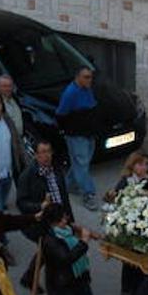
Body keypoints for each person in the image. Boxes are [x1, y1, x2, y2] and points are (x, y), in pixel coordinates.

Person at [16, 138, 75, 289]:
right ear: (35, 155)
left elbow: (64, 197)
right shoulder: (27, 176)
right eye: (42, 152)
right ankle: (55, 285)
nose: (47, 155)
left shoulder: (56, 170)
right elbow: (21, 203)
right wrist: (39, 206)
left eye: (49, 151)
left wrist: (70, 219)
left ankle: (29, 277)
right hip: (39, 223)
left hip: (59, 219)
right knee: (52, 251)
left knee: (46, 252)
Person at [110, 150, 148, 295]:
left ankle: (139, 288)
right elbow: (116, 201)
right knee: (129, 261)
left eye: (146, 164)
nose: (143, 168)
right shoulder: (126, 181)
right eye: (140, 164)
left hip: (144, 225)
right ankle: (126, 289)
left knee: (142, 259)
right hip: (129, 225)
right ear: (132, 165)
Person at [55, 65, 98, 209]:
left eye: (91, 77)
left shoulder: (87, 89)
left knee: (81, 163)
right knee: (82, 163)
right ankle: (88, 194)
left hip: (88, 134)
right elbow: (61, 114)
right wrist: (68, 131)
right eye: (86, 77)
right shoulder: (70, 93)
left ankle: (68, 186)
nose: (90, 80)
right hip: (76, 136)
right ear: (78, 77)